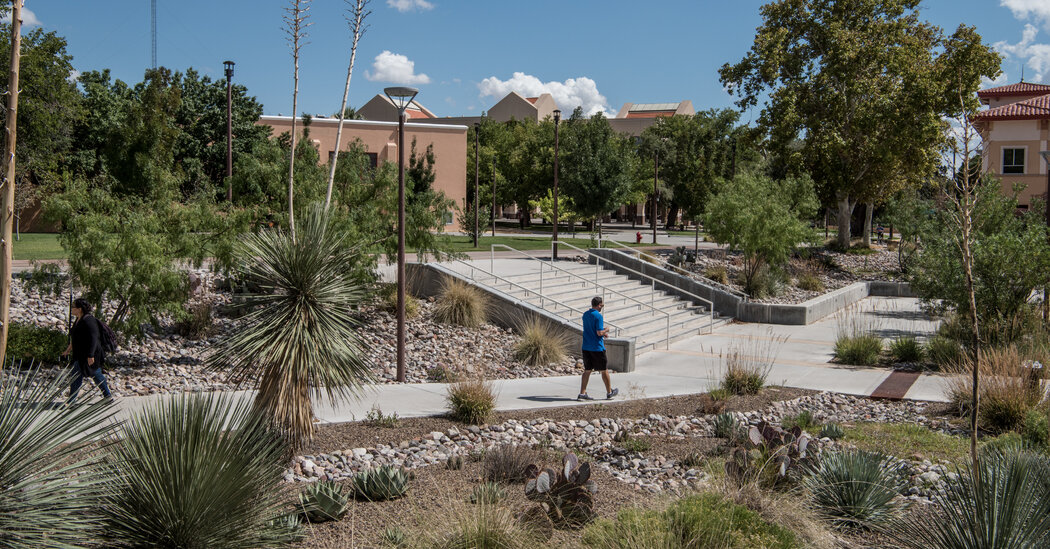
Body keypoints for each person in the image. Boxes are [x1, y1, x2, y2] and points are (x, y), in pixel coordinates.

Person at [62, 298, 112, 402]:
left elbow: (94, 338)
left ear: (79, 309)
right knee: (77, 375)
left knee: (95, 374)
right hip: (80, 354)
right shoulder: (78, 320)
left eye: (73, 307)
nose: (72, 309)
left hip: (90, 354)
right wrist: (68, 350)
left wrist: (91, 355)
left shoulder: (89, 320)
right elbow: (75, 338)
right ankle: (71, 401)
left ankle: (108, 396)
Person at [578, 296, 618, 401]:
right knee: (604, 370)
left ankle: (582, 393)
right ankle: (609, 392)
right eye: (602, 305)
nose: (602, 308)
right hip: (597, 348)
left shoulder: (585, 314)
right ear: (599, 305)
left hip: (586, 346)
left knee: (587, 370)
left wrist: (601, 333)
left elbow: (591, 329)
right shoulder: (598, 316)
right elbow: (599, 332)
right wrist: (606, 330)